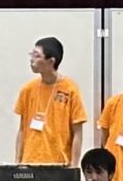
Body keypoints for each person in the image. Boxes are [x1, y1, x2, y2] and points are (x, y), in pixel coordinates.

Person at [14, 37, 85, 167]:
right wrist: (17, 162)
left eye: (37, 56)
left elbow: (77, 132)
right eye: (31, 54)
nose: (31, 59)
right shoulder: (28, 89)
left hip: (59, 164)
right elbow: (22, 129)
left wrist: (74, 166)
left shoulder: (70, 89)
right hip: (29, 162)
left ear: (51, 61)